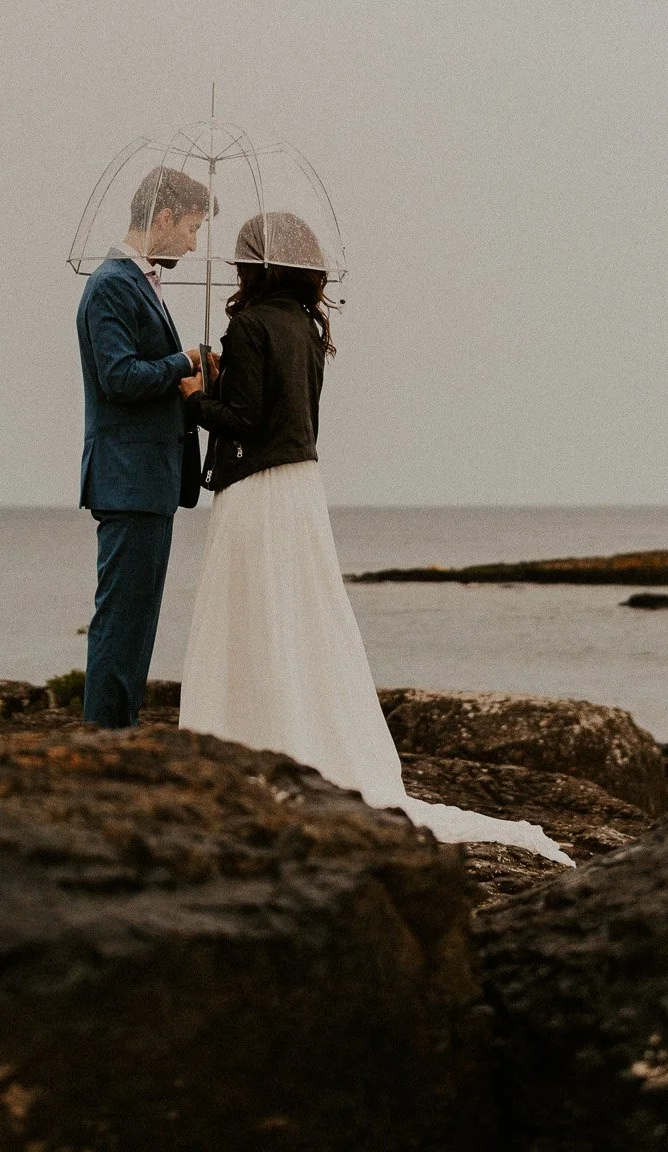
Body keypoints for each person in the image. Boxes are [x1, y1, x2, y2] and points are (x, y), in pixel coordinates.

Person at [178, 211, 571, 862]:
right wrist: (224, 383)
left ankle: (243, 736)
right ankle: (298, 737)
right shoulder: (306, 328)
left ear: (253, 266)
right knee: (299, 616)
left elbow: (242, 421)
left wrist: (194, 393)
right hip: (301, 487)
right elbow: (281, 413)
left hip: (256, 490)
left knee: (248, 615)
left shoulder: (247, 326)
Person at [76, 165, 217, 728]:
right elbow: (118, 377)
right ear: (161, 218)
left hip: (146, 480)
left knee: (136, 622)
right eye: (191, 227)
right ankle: (105, 741)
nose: (193, 241)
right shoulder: (112, 283)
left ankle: (117, 732)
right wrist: (184, 362)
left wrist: (192, 384)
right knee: (122, 621)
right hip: (128, 478)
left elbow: (141, 377)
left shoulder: (137, 282)